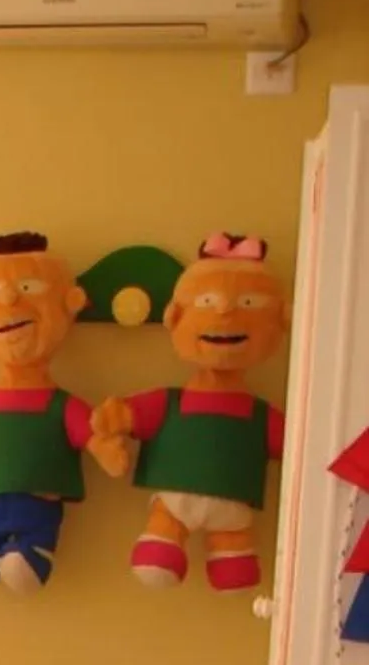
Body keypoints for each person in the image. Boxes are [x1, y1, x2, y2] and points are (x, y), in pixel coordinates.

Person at [0, 231, 130, 593]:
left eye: (28, 288)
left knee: (32, 539)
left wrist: (106, 448)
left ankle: (31, 551)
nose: (11, 299)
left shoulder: (61, 406)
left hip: (38, 504)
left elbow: (91, 434)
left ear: (69, 303)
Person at [89, 234, 288, 593]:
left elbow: (294, 446)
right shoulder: (171, 402)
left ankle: (232, 558)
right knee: (160, 544)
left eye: (247, 303)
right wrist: (112, 422)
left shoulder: (260, 414)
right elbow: (130, 414)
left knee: (236, 565)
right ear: (174, 317)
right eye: (208, 301)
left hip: (234, 508)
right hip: (174, 503)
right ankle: (165, 545)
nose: (226, 312)